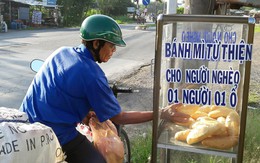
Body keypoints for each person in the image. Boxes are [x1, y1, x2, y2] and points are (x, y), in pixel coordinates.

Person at [20, 14, 190, 163]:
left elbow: (60, 90)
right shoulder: (92, 75)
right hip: (54, 133)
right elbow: (119, 117)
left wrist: (85, 112)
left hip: (26, 122)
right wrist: (161, 113)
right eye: (111, 46)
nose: (114, 51)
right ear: (96, 44)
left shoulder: (62, 52)